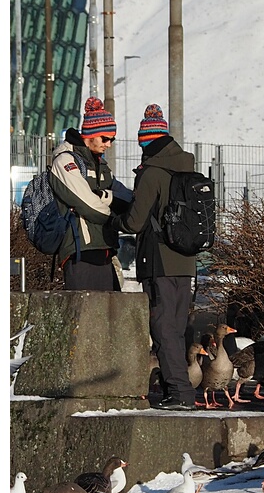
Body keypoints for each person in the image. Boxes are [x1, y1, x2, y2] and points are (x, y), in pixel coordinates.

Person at [112, 104, 198, 411]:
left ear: (146, 141)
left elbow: (134, 222)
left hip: (158, 261)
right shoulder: (187, 165)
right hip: (186, 262)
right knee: (176, 328)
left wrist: (113, 219)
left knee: (162, 329)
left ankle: (179, 393)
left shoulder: (152, 173)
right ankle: (182, 389)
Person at [49, 97, 132, 291]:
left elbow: (127, 197)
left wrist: (107, 196)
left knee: (109, 318)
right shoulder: (65, 161)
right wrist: (114, 216)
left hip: (105, 251)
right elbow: (87, 204)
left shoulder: (100, 164)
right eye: (105, 138)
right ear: (90, 135)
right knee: (86, 318)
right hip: (81, 253)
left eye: (112, 139)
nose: (109, 144)